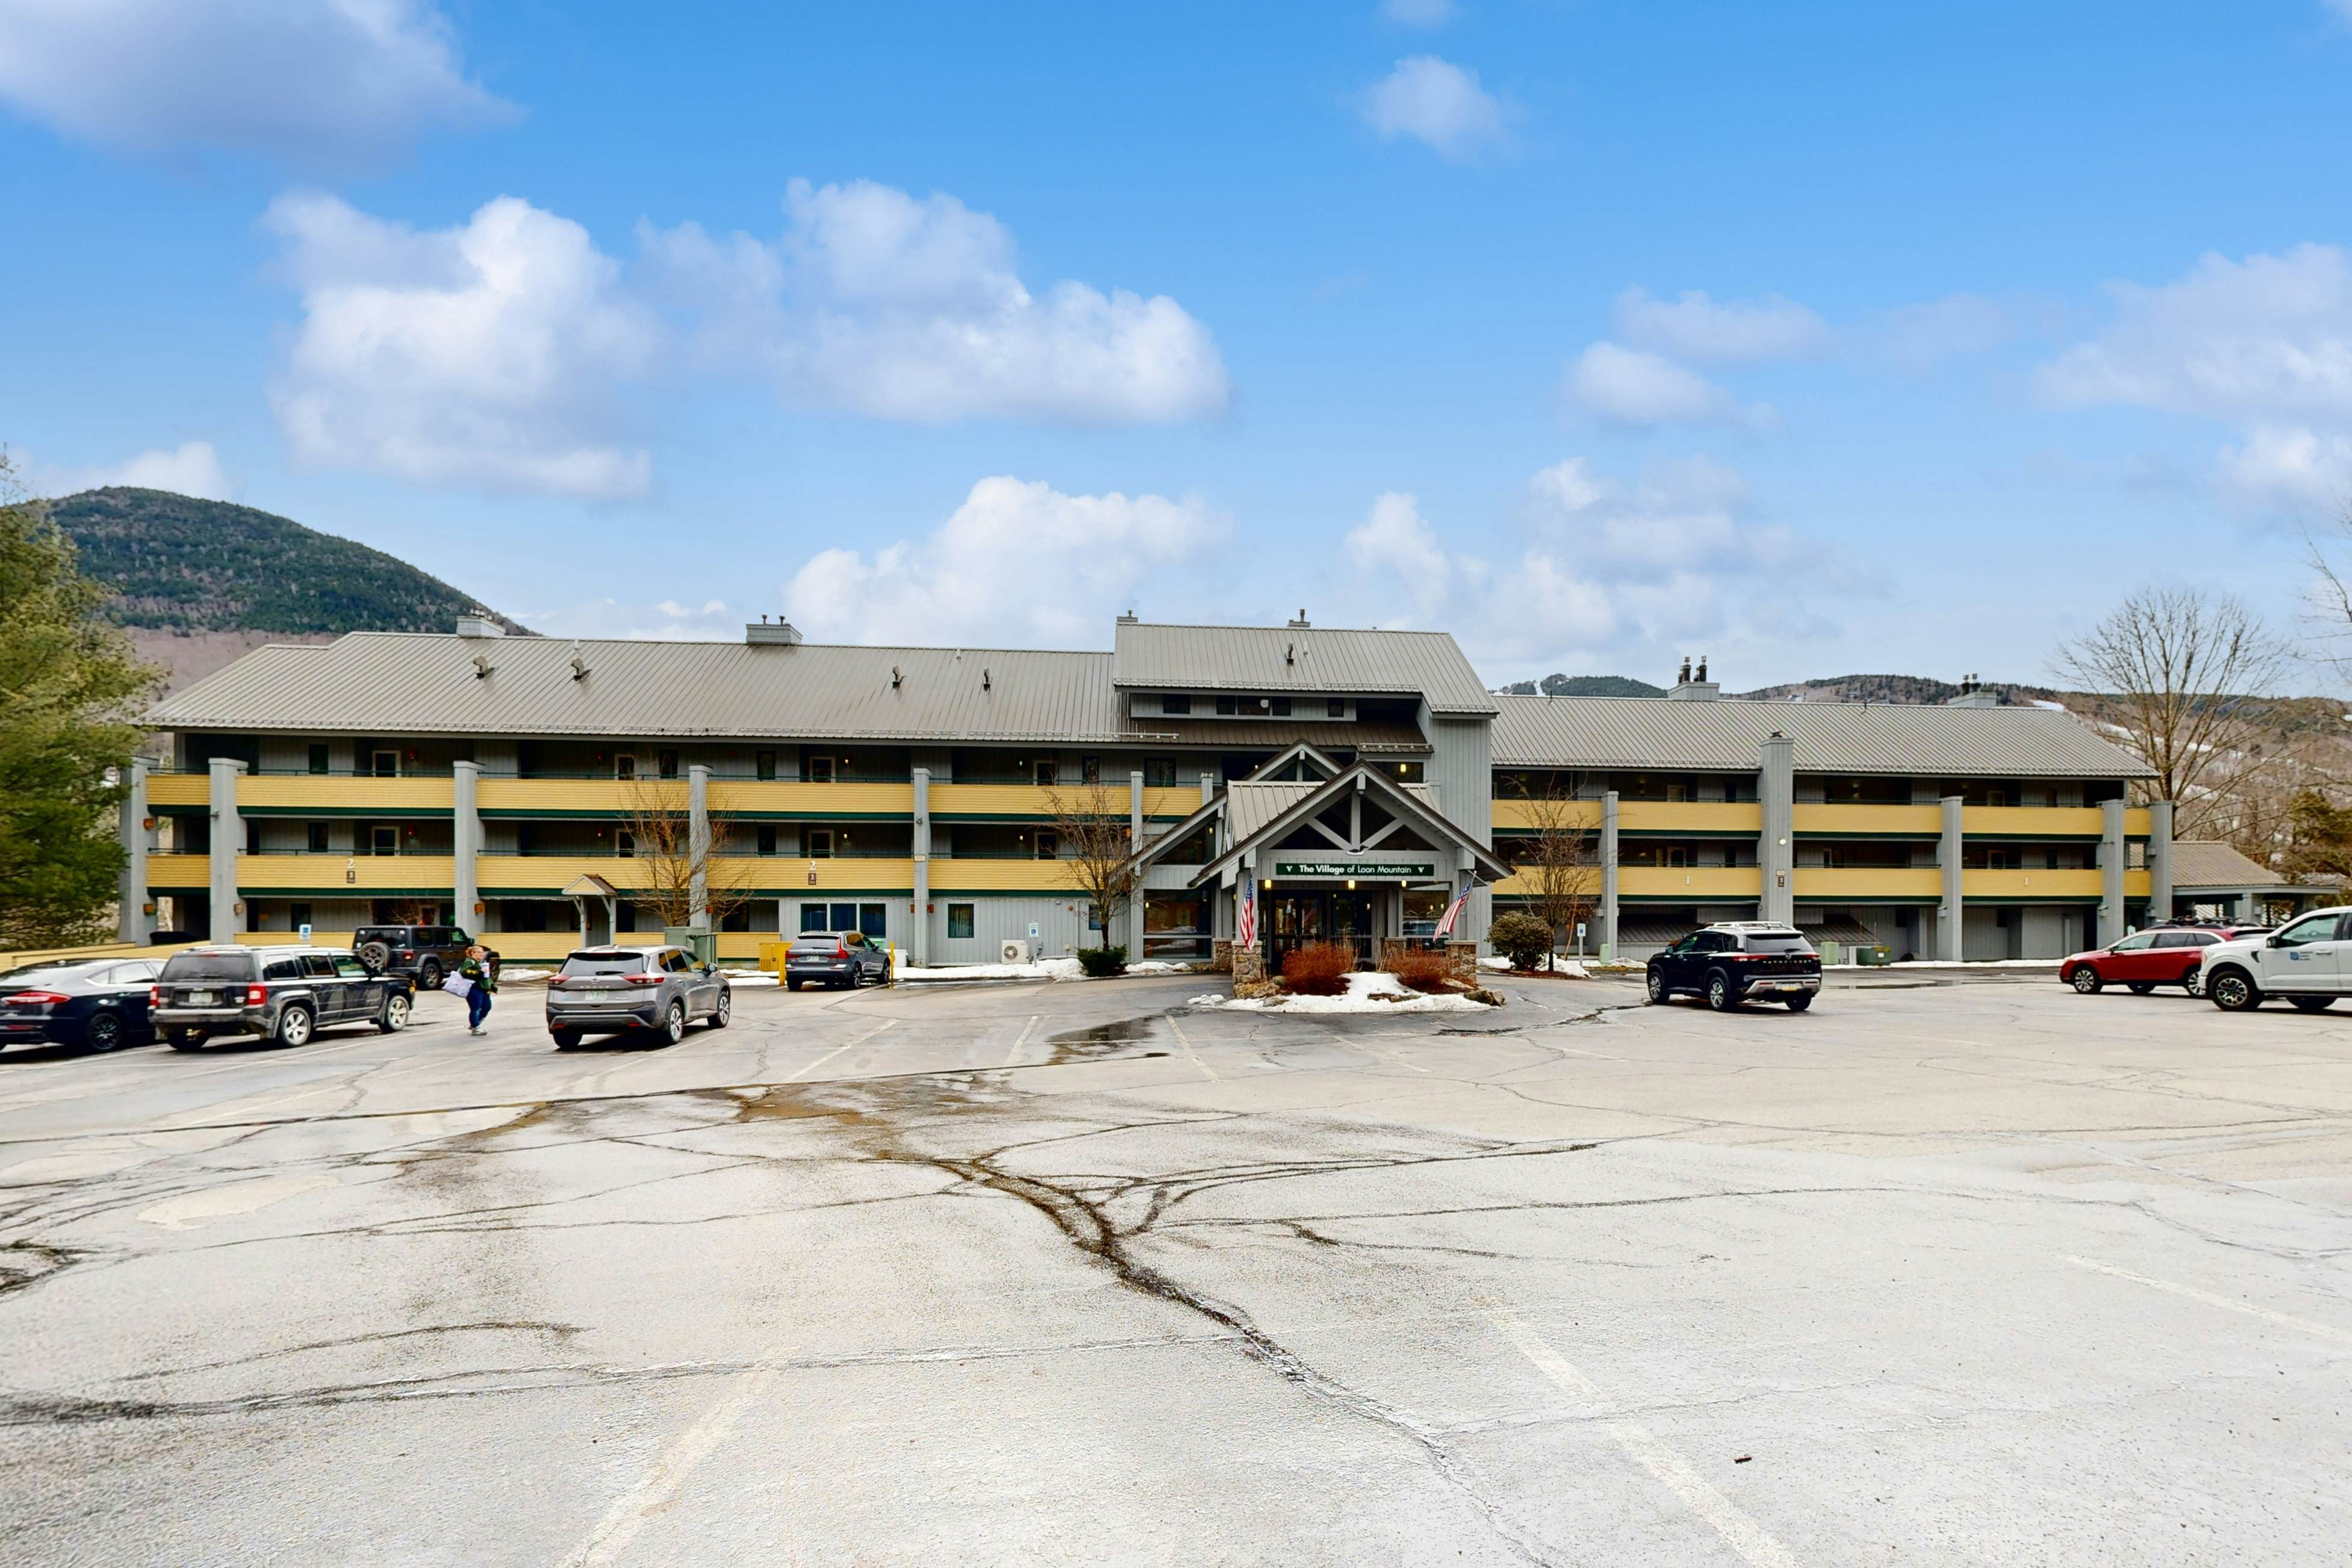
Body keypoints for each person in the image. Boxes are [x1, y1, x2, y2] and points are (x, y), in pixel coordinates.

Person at [458, 944, 497, 1035]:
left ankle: (475, 1023)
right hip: (474, 989)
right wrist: (480, 972)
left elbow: (485, 977)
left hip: (483, 989)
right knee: (476, 1008)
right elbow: (465, 972)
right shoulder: (469, 962)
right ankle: (476, 1027)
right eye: (479, 952)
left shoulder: (480, 963)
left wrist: (491, 985)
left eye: (482, 953)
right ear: (472, 953)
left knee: (487, 1007)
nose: (482, 954)